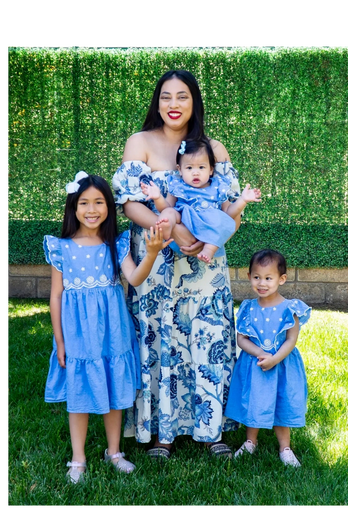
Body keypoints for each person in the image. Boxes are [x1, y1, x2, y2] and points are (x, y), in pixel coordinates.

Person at [112, 69, 241, 459]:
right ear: (157, 102)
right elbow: (129, 202)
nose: (173, 105)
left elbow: (232, 210)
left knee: (207, 335)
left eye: (182, 96)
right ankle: (160, 433)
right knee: (159, 335)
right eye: (166, 97)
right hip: (156, 260)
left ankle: (211, 428)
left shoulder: (213, 149)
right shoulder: (140, 142)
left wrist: (209, 239)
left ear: (194, 101)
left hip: (206, 262)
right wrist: (173, 231)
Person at [43, 171, 172, 483]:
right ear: (73, 208)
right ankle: (78, 458)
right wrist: (59, 341)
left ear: (109, 207)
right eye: (84, 202)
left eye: (99, 202)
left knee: (114, 389)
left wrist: (152, 251)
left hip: (112, 332)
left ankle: (114, 451)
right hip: (77, 335)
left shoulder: (116, 243)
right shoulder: (61, 247)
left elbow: (135, 278)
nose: (91, 209)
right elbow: (56, 296)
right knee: (80, 392)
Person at [224, 249, 312, 467]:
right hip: (256, 366)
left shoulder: (289, 308)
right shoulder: (248, 308)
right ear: (249, 276)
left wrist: (275, 358)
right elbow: (241, 339)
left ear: (281, 279)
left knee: (282, 404)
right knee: (254, 401)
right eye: (256, 277)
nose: (261, 283)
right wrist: (260, 353)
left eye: (268, 278)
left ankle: (285, 447)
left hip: (282, 366)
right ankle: (250, 442)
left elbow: (291, 340)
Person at [140, 137, 262, 263]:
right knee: (169, 213)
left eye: (201, 167)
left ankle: (208, 250)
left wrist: (243, 200)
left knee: (222, 220)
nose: (195, 173)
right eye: (189, 168)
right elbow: (166, 207)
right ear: (179, 170)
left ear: (211, 169)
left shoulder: (219, 187)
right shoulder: (178, 185)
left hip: (208, 229)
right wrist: (158, 197)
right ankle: (166, 228)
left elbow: (228, 214)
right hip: (183, 227)